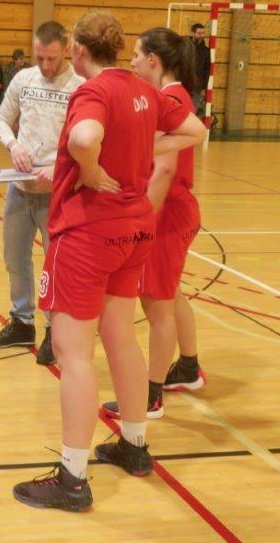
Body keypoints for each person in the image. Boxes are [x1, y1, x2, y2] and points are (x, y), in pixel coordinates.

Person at [11, 11, 206, 512]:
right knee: (120, 336)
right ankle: (134, 445)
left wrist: (93, 168)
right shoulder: (145, 91)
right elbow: (195, 130)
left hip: (90, 232)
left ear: (78, 49)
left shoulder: (94, 91)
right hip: (134, 229)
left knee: (74, 353)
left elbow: (83, 139)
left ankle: (73, 477)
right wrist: (139, 149)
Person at [101, 27, 208, 423]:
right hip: (178, 211)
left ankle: (150, 397)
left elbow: (163, 170)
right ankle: (189, 368)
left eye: (136, 54)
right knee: (170, 295)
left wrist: (141, 221)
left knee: (157, 306)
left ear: (153, 60)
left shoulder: (169, 100)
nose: (131, 61)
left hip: (166, 215)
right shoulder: (173, 96)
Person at [0, 21, 84, 365]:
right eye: (39, 57)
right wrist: (13, 145)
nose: (45, 65)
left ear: (66, 49)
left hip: (59, 192)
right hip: (20, 188)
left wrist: (60, 167)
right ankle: (21, 322)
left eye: (52, 58)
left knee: (55, 265)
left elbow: (89, 140)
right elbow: (0, 120)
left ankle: (54, 330)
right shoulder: (24, 79)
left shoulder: (80, 86)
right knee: (14, 258)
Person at [190, 23, 209, 117]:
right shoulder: (185, 46)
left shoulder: (206, 51)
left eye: (203, 33)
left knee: (193, 111)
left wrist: (203, 88)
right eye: (199, 33)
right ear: (193, 33)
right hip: (184, 84)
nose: (201, 35)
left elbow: (206, 70)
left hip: (197, 87)